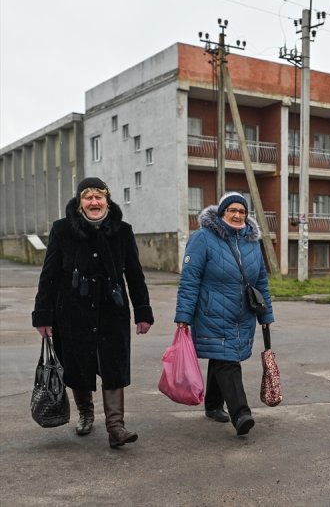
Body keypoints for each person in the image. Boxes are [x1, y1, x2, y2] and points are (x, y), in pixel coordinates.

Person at [32, 177, 154, 448]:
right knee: (78, 364)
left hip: (113, 311)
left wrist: (143, 312)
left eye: (99, 196)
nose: (94, 202)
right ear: (79, 203)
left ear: (107, 201)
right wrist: (43, 315)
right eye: (88, 197)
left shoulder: (122, 231)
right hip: (73, 311)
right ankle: (86, 413)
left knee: (113, 365)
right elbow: (49, 275)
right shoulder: (62, 230)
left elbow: (135, 274)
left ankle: (116, 427)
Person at [174, 192, 275, 436]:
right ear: (221, 213)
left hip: (243, 314)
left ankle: (212, 405)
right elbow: (190, 279)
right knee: (227, 360)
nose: (238, 215)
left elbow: (261, 281)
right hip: (212, 312)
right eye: (233, 210)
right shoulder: (202, 239)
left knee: (223, 357)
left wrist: (266, 315)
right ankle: (241, 413)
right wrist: (183, 316)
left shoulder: (252, 242)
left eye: (242, 211)